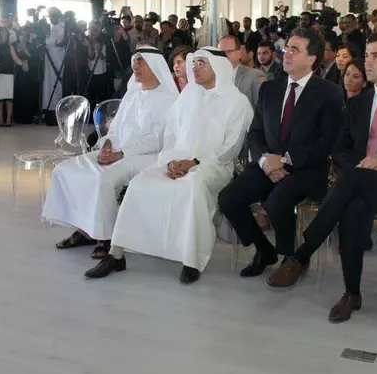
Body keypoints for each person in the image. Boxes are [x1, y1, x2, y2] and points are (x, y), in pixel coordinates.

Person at [265, 32, 377, 323]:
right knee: (354, 206)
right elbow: (339, 149)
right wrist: (367, 165)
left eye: (376, 56)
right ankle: (352, 292)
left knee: (351, 183)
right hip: (359, 181)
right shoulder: (357, 103)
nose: (368, 62)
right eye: (367, 55)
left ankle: (302, 254)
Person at [86, 47, 253, 284]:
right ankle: (116, 254)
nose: (194, 68)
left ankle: (191, 261)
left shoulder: (237, 102)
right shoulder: (187, 96)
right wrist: (172, 160)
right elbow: (171, 135)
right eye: (193, 63)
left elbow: (230, 148)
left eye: (201, 63)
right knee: (139, 184)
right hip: (174, 162)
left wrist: (193, 162)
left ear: (218, 67)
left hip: (212, 167)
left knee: (192, 187)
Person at [218, 27, 343, 278]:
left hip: (307, 170)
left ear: (312, 58)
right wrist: (266, 160)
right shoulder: (270, 89)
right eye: (286, 48)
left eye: (295, 50)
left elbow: (326, 142)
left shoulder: (329, 93)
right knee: (229, 197)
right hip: (268, 164)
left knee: (277, 201)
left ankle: (292, 258)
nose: (286, 53)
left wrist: (284, 160)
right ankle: (264, 250)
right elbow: (255, 132)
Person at [43, 47, 179, 258]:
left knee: (102, 179)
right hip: (118, 150)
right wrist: (106, 145)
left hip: (148, 156)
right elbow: (115, 130)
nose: (136, 65)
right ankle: (84, 230)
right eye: (134, 60)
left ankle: (106, 239)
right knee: (66, 169)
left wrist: (121, 154)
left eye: (141, 61)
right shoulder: (132, 95)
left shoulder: (168, 99)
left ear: (155, 65)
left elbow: (156, 140)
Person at [0, 26, 24, 127]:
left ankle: (8, 119)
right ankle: (1, 119)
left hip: (8, 73)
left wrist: (23, 64)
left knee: (9, 97)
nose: (5, 35)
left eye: (6, 34)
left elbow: (15, 58)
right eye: (3, 33)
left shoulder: (9, 47)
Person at [218, 35, 266, 110]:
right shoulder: (214, 77)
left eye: (228, 52)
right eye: (220, 53)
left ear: (239, 53)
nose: (223, 56)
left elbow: (262, 110)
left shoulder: (255, 76)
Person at [42, 7, 67, 113]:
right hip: (48, 59)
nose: (51, 18)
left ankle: (57, 108)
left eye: (53, 15)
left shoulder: (62, 27)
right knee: (48, 83)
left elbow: (59, 42)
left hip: (57, 60)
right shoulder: (51, 27)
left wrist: (50, 42)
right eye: (49, 16)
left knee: (57, 83)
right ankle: (48, 107)